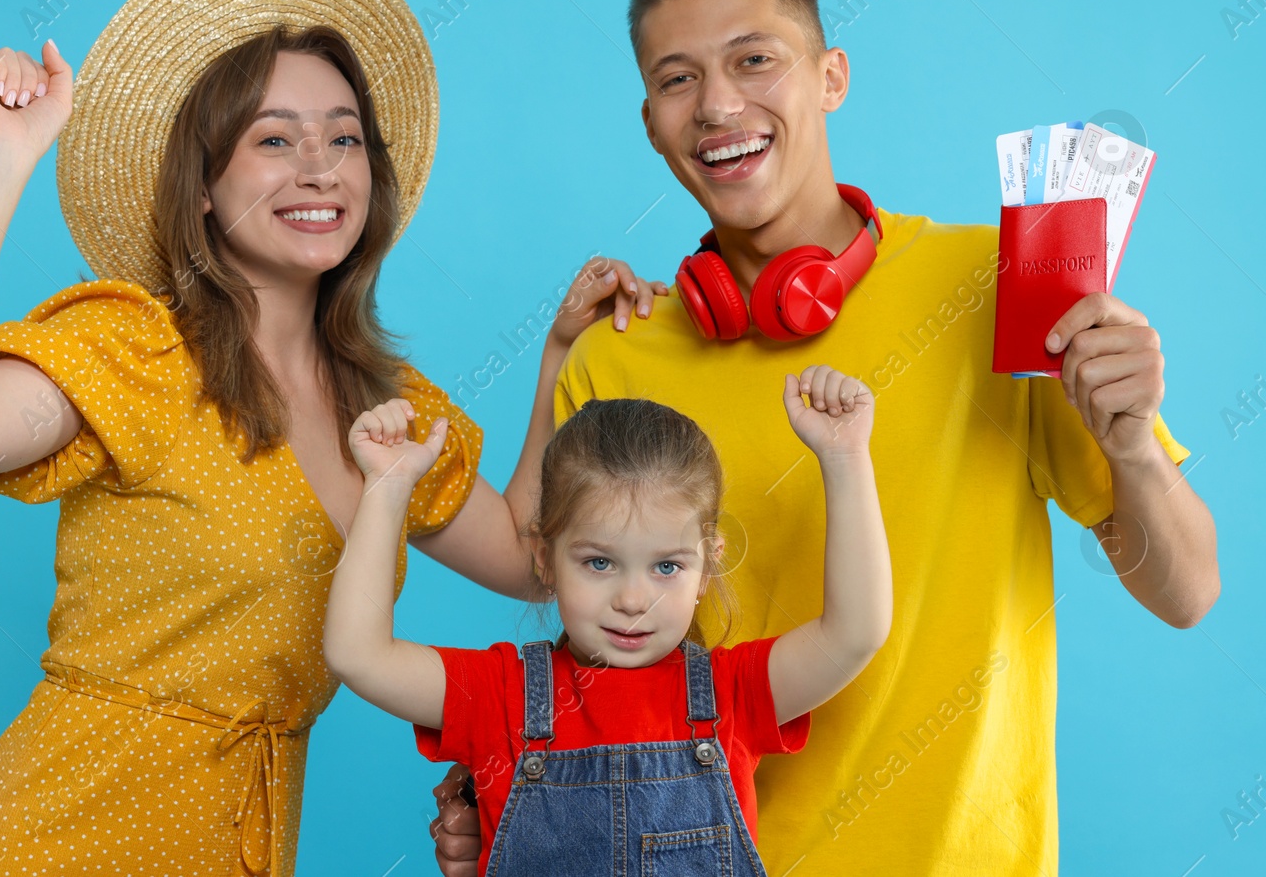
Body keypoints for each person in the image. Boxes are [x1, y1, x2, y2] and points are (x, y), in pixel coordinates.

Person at [0, 0, 667, 877]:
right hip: (62, 836)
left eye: (345, 137)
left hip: (244, 843)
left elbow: (535, 561)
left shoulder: (388, 409)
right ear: (203, 187)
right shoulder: (141, 354)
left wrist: (558, 354)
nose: (320, 167)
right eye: (274, 139)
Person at [428, 0, 1219, 875]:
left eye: (755, 60)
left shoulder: (1001, 290)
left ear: (832, 75)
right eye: (678, 78)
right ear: (650, 122)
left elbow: (1187, 593)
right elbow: (595, 654)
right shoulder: (617, 354)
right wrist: (516, 797)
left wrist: (1132, 449)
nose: (720, 104)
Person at [327, 364, 890, 876]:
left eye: (667, 566)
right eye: (599, 562)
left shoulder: (733, 693)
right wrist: (388, 487)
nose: (633, 598)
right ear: (545, 559)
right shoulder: (501, 694)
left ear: (707, 566)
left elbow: (856, 631)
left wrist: (845, 459)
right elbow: (359, 654)